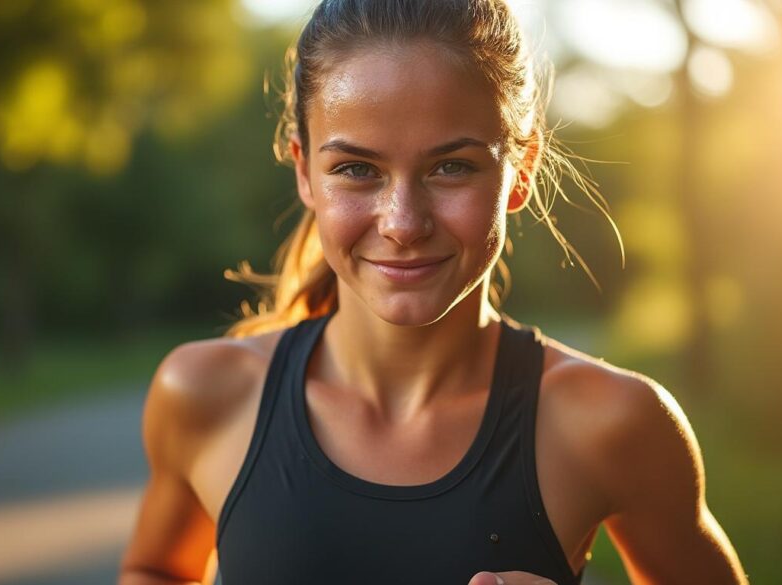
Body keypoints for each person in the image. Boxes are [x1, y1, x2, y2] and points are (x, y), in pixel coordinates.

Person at [118, 1, 747, 583]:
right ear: (304, 171)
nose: (403, 222)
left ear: (520, 172)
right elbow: (155, 569)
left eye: (453, 166)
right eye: (357, 169)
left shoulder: (614, 423)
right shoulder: (203, 396)